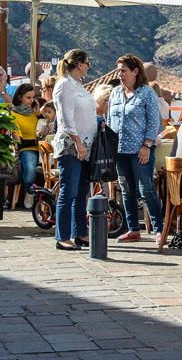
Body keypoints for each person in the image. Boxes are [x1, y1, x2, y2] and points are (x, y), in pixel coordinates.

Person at [107, 54, 164, 244]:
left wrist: (147, 145)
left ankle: (158, 229)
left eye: (123, 71)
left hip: (140, 149)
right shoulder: (114, 93)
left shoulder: (147, 93)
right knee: (126, 189)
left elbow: (154, 121)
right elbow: (110, 121)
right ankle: (133, 229)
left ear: (135, 71)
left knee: (146, 188)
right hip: (120, 150)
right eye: (119, 71)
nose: (120, 74)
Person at [51, 49, 95, 251]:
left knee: (81, 192)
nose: (88, 67)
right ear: (79, 64)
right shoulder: (65, 85)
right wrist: (78, 142)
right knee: (68, 191)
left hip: (85, 145)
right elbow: (66, 118)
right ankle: (63, 235)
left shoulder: (78, 86)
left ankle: (80, 232)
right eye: (87, 63)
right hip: (71, 146)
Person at [10, 83, 42, 195]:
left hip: (43, 148)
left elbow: (45, 126)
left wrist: (39, 114)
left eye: (33, 97)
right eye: (28, 97)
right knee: (30, 166)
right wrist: (36, 141)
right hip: (27, 149)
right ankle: (30, 192)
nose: (31, 100)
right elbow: (19, 140)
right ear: (19, 97)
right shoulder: (13, 115)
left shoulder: (35, 112)